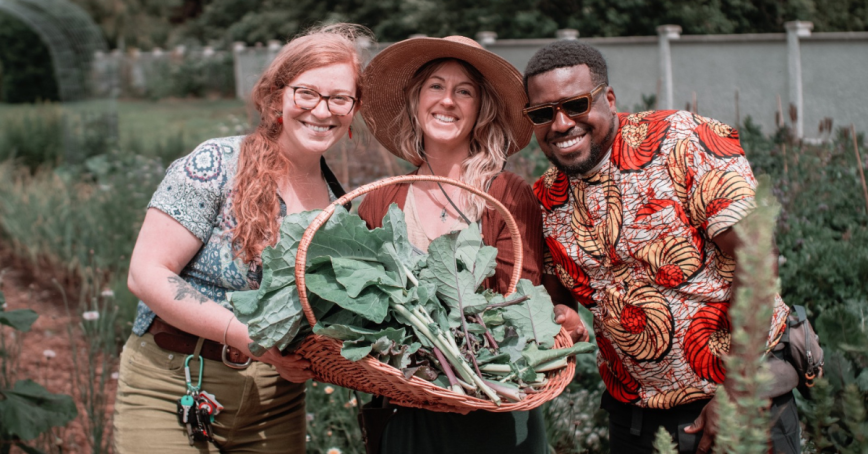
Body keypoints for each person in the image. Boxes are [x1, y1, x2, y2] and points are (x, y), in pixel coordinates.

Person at [522, 40, 798, 454]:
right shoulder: (544, 200)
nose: (560, 124)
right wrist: (559, 322)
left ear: (609, 99)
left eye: (576, 105)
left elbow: (757, 258)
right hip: (633, 422)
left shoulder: (683, 142)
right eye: (543, 114)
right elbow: (559, 309)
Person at [112, 23, 372, 453]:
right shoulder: (216, 163)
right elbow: (146, 274)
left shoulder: (339, 207)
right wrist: (250, 338)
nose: (322, 110)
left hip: (275, 405)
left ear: (352, 109)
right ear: (277, 98)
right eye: (306, 93)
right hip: (176, 386)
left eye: (339, 98)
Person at [358, 35, 575, 454]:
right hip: (408, 405)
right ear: (416, 101)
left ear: (482, 109)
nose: (447, 101)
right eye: (435, 87)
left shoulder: (507, 197)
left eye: (464, 91)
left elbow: (518, 304)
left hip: (493, 402)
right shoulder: (382, 199)